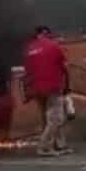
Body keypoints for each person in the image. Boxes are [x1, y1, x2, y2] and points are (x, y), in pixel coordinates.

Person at [24, 26, 71, 155]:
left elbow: (27, 71)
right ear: (47, 33)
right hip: (53, 87)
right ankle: (44, 147)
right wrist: (67, 85)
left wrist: (28, 91)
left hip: (36, 89)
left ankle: (60, 145)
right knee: (55, 119)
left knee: (47, 119)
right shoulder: (54, 46)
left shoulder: (30, 49)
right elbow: (64, 67)